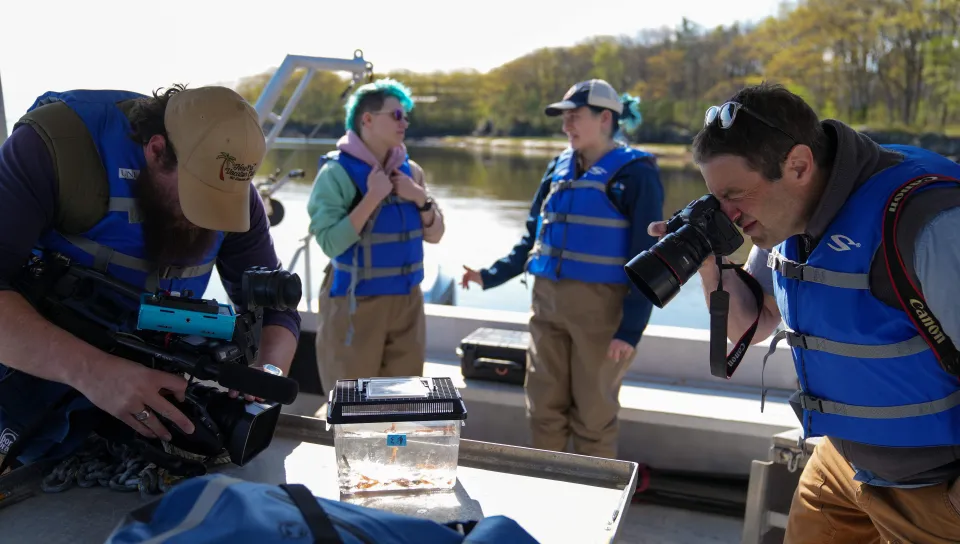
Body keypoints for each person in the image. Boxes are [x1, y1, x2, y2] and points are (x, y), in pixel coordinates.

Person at [648, 82, 960, 542]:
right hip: (842, 463)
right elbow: (751, 326)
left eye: (736, 195)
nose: (729, 214)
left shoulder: (929, 222)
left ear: (798, 164)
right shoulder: (787, 213)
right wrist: (710, 263)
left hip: (933, 484)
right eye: (717, 198)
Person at [0, 85, 302, 474]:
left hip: (148, 390)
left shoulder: (236, 195)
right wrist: (92, 372)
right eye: (197, 197)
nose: (205, 218)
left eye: (220, 201)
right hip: (29, 381)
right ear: (156, 151)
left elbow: (275, 306)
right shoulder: (54, 148)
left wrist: (268, 372)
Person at [461, 79, 664, 459]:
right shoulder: (558, 167)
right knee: (543, 409)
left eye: (574, 117)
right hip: (547, 307)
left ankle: (592, 501)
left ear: (606, 118)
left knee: (593, 416)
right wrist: (489, 276)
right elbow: (532, 240)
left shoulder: (637, 174)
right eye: (564, 118)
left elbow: (649, 258)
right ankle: (547, 490)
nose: (566, 126)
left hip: (603, 315)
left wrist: (630, 330)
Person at [308, 78, 445, 392]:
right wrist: (371, 198)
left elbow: (436, 235)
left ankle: (394, 445)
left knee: (401, 403)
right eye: (396, 115)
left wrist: (419, 197)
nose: (405, 122)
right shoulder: (336, 173)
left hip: (407, 302)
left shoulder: (412, 172)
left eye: (406, 116)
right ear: (367, 119)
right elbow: (330, 242)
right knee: (354, 406)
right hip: (356, 303)